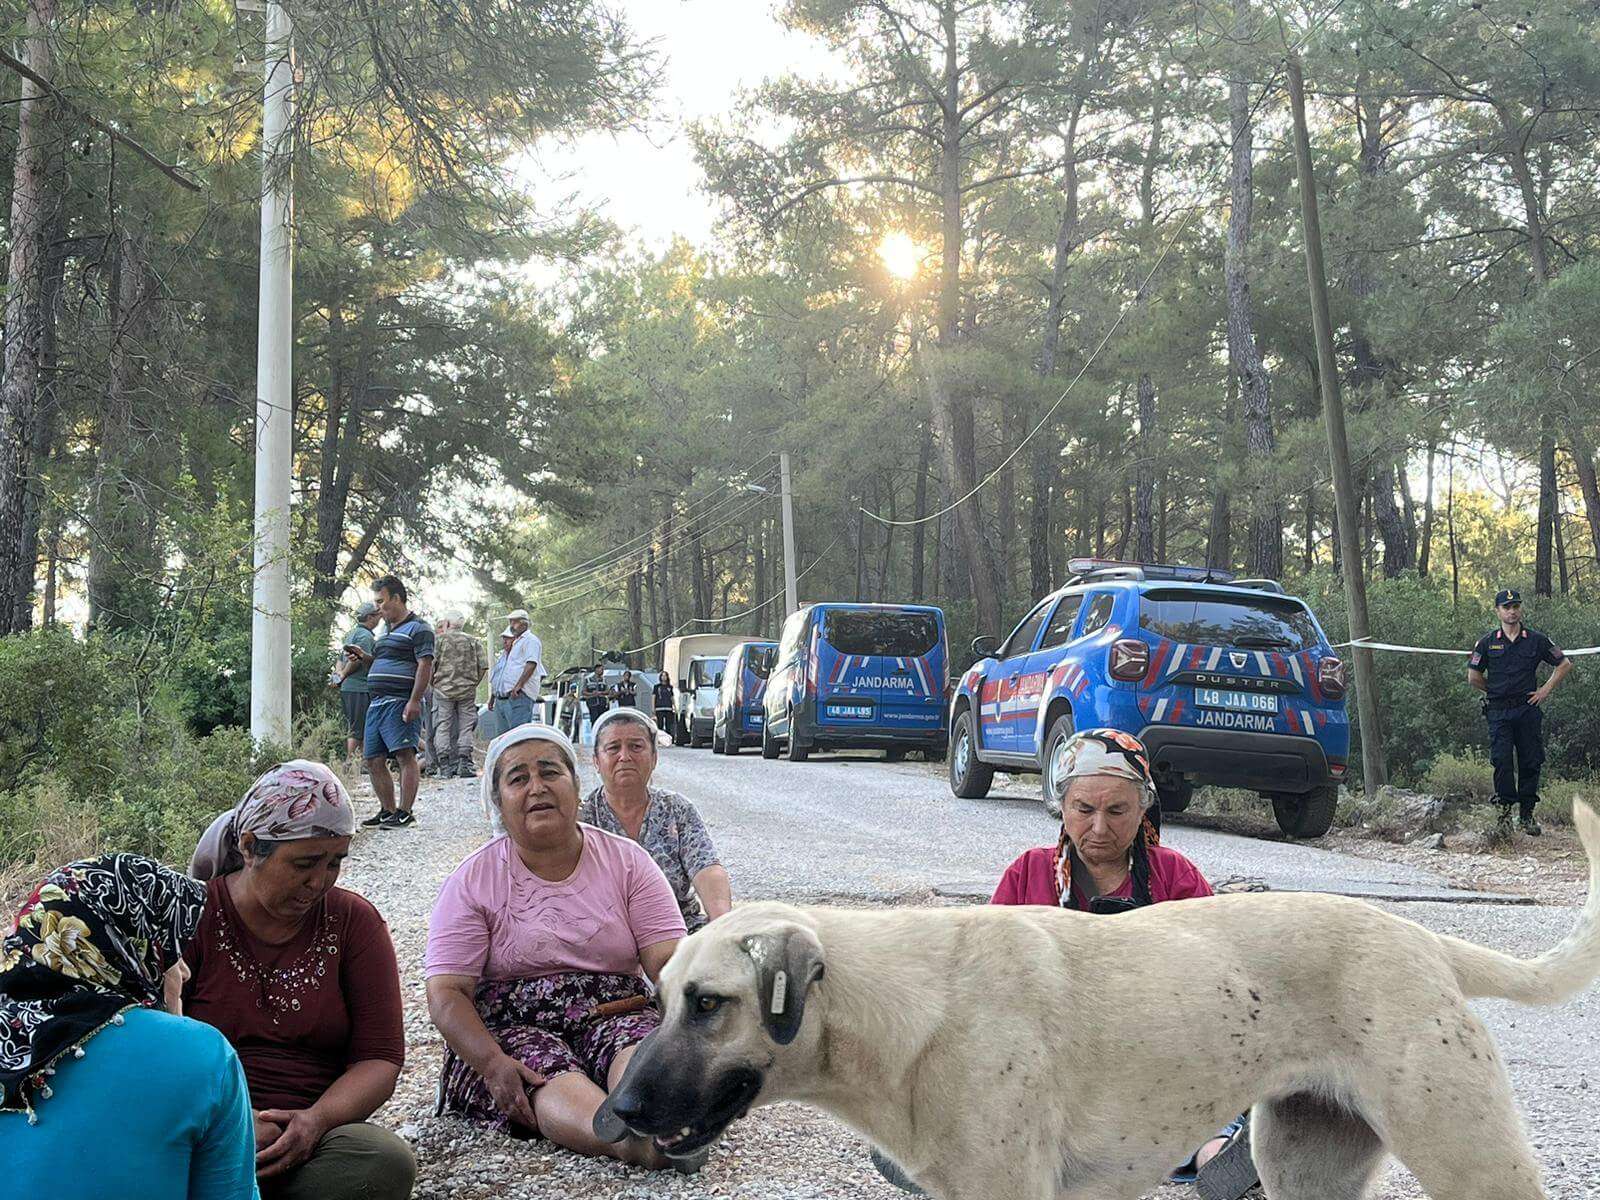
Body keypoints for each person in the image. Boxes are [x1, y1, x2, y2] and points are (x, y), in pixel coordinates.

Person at [981, 728, 1252, 1200]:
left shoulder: (1175, 877)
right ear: (1061, 806)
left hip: (1161, 1062)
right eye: (1084, 810)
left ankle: (1226, 1166)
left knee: (1209, 1117)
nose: (1099, 828)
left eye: (1117, 810)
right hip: (1056, 1066)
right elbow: (982, 985)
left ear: (1143, 808)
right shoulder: (1028, 874)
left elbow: (1222, 988)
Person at [424, 725, 694, 1171]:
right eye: (518, 778)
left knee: (640, 1050)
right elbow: (447, 993)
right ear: (498, 801)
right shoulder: (473, 879)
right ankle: (628, 1144)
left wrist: (694, 1025)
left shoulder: (628, 862)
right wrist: (492, 1063)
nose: (537, 787)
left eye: (550, 771)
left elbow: (667, 961)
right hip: (514, 1030)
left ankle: (655, 1117)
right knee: (543, 1074)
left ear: (575, 784)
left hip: (616, 1011)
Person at [186, 761, 415, 1200]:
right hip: (204, 1129)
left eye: (334, 863)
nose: (320, 882)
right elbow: (158, 1046)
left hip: (314, 1140)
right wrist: (232, 1122)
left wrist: (316, 1122)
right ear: (250, 847)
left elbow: (380, 1059)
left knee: (383, 1161)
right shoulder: (194, 916)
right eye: (305, 863)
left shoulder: (354, 923)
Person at [1, 854, 257, 1200]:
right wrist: (173, 1027)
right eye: (171, 952)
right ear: (129, 950)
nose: (183, 972)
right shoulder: (200, 1055)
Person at [579, 708, 731, 932]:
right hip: (605, 936)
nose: (625, 756)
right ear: (596, 761)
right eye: (613, 748)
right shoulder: (583, 818)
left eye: (636, 747)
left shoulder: (677, 809)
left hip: (678, 929)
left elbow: (706, 869)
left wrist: (723, 926)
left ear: (654, 757)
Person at [1468, 587, 1573, 837]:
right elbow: (1473, 677)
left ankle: (1526, 816)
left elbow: (1564, 664)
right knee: (1502, 762)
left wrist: (1545, 690)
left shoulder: (1536, 639)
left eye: (1515, 606)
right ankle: (1504, 817)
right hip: (1499, 712)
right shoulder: (1487, 642)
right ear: (1497, 611)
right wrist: (1493, 691)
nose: (1512, 611)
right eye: (1506, 607)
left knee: (1530, 761)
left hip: (1527, 709)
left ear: (1520, 609)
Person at [363, 575, 435, 829]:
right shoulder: (385, 632)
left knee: (405, 755)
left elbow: (425, 665)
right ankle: (387, 809)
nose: (378, 608)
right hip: (377, 703)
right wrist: (364, 657)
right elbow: (385, 662)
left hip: (400, 701)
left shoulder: (420, 628)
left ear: (396, 598)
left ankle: (405, 812)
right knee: (373, 759)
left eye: (381, 601)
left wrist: (414, 700)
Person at [431, 611, 487, 779]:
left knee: (443, 725)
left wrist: (432, 683)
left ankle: (445, 765)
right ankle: (464, 762)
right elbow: (483, 666)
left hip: (443, 689)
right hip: (467, 690)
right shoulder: (473, 641)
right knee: (466, 725)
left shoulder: (439, 640)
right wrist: (474, 682)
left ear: (447, 624)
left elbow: (431, 663)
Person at [332, 600, 381, 775]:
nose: (380, 617)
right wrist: (344, 674)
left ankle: (356, 762)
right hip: (360, 687)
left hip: (348, 688)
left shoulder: (351, 633)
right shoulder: (366, 637)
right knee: (361, 726)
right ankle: (353, 763)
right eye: (378, 614)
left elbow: (339, 659)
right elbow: (358, 660)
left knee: (354, 724)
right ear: (370, 617)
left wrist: (338, 677)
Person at [488, 609, 543, 736]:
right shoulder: (517, 643)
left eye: (515, 622)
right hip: (506, 696)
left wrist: (519, 686)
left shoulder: (531, 640)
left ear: (524, 624)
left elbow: (532, 664)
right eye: (510, 622)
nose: (511, 625)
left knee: (517, 736)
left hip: (520, 695)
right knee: (504, 738)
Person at [580, 666, 612, 745]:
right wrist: (592, 694)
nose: (602, 671)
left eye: (603, 669)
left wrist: (601, 693)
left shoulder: (604, 680)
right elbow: (583, 692)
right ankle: (595, 738)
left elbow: (608, 690)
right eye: (601, 669)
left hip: (602, 703)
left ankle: (603, 737)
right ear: (596, 670)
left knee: (603, 720)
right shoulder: (588, 680)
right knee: (594, 720)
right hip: (592, 703)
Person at [652, 671, 676, 742]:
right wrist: (653, 708)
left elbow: (672, 697)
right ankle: (660, 739)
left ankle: (668, 738)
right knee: (660, 724)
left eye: (665, 676)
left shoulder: (670, 687)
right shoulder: (657, 687)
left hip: (668, 707)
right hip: (659, 707)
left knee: (669, 724)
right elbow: (653, 697)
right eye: (662, 676)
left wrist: (674, 706)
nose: (664, 677)